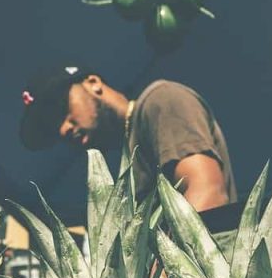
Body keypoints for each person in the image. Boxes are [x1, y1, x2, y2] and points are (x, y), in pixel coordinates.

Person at [19, 66, 236, 213]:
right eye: (51, 128)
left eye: (60, 109)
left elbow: (208, 194)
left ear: (93, 83)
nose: (63, 129)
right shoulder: (131, 155)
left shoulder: (160, 100)